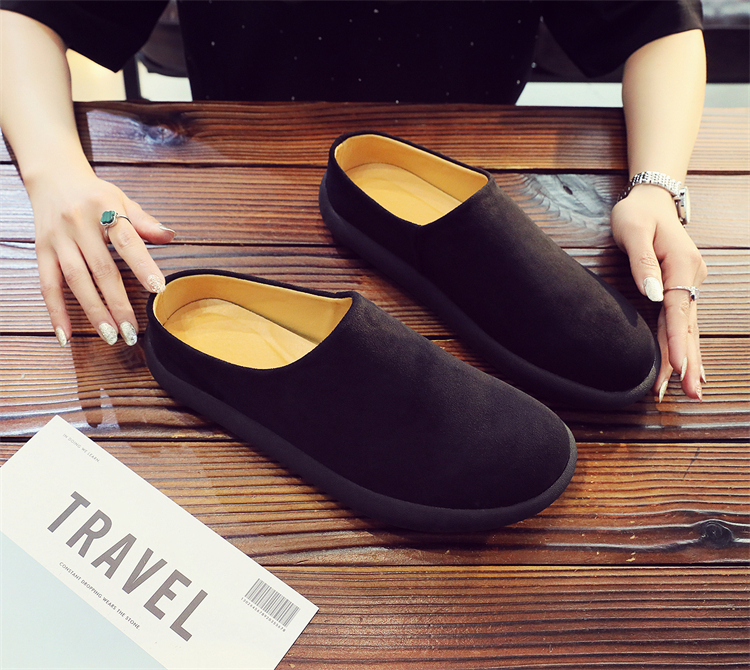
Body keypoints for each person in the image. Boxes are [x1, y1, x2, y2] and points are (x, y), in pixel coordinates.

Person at [0, 1, 707, 403]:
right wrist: (54, 172)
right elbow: (24, 15)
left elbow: (658, 22)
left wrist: (657, 187)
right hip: (245, 184)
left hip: (465, 171)